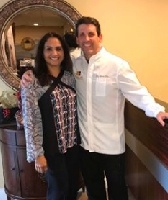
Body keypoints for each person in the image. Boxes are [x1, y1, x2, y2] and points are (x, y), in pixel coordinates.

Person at [21, 17, 168, 200]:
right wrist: (29, 72)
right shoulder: (75, 64)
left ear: (100, 36)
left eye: (91, 34)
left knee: (117, 191)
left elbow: (137, 93)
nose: (86, 39)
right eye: (82, 34)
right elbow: (49, 65)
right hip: (85, 145)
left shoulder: (117, 66)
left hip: (111, 144)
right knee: (94, 190)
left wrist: (156, 110)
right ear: (77, 40)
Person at [21, 32, 81, 200]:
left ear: (64, 52)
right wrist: (38, 153)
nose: (54, 53)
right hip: (50, 148)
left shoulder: (70, 78)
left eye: (58, 49)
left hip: (73, 146)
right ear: (41, 52)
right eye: (49, 49)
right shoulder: (32, 80)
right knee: (58, 191)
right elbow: (30, 119)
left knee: (72, 189)